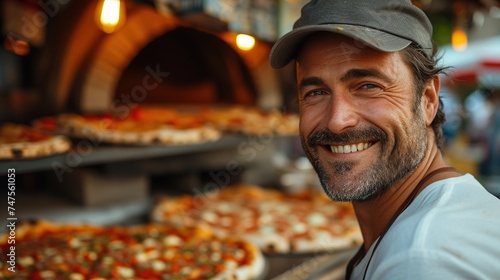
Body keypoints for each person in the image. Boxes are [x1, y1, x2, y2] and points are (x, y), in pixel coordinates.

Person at [269, 0, 500, 279]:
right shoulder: (444, 217)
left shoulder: (421, 262)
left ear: (427, 100)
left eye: (368, 86)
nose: (337, 120)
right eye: (316, 92)